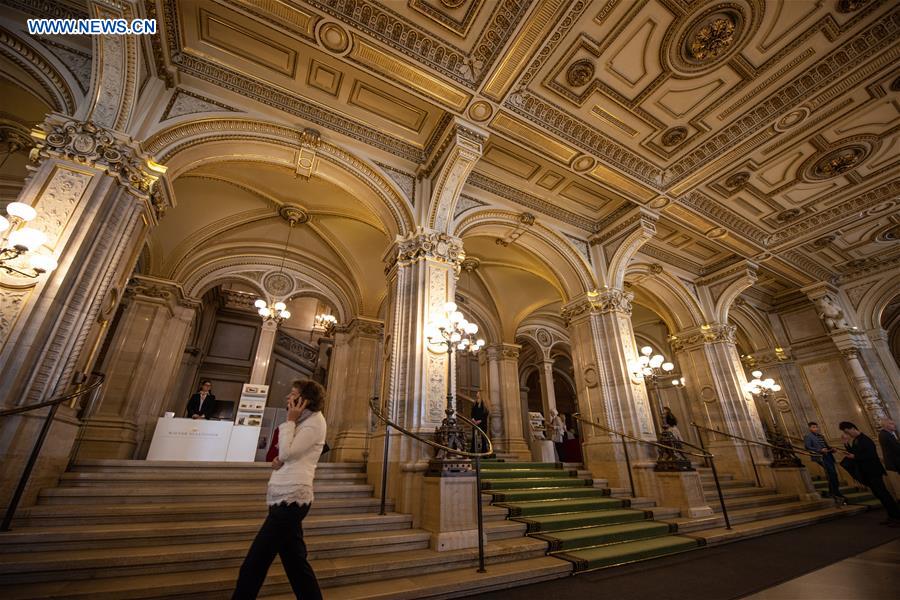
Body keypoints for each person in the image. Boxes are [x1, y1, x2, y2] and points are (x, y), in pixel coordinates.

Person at [233, 380, 327, 599]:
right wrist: (278, 458)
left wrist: (289, 422)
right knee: (295, 563)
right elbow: (286, 455)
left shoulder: (313, 422)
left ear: (304, 401)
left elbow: (287, 453)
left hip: (292, 499)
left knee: (254, 563)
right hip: (283, 497)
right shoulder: (304, 421)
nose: (287, 398)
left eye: (292, 394)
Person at [839, 421, 900, 526]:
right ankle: (891, 516)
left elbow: (871, 455)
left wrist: (855, 457)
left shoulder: (865, 440)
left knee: (884, 494)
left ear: (853, 428)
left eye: (847, 431)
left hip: (873, 471)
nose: (847, 434)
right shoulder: (856, 440)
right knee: (879, 495)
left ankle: (897, 517)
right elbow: (854, 453)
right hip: (867, 472)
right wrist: (846, 444)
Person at [803, 422, 847, 506]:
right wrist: (820, 450)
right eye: (813, 427)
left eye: (816, 427)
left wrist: (831, 449)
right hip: (820, 457)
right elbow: (808, 447)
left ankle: (833, 491)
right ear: (810, 428)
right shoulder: (808, 436)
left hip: (828, 455)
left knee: (833, 474)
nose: (815, 428)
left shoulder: (821, 436)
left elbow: (826, 446)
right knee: (831, 473)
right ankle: (835, 492)